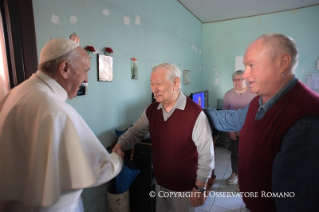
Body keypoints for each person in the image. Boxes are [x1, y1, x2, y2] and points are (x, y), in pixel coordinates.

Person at [0, 37, 123, 212]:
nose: (86, 79)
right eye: (85, 71)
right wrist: (117, 159)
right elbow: (98, 170)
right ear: (65, 68)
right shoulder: (55, 110)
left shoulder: (15, 94)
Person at [204, 33, 319, 212]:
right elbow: (231, 119)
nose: (245, 75)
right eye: (245, 66)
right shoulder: (260, 100)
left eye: (252, 65)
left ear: (282, 62)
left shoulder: (306, 120)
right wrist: (196, 111)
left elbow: (296, 202)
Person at [112, 63, 214, 212]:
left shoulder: (195, 114)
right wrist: (120, 144)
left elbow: (207, 155)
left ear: (176, 83)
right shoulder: (152, 110)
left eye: (159, 83)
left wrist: (200, 186)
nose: (154, 88)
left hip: (184, 187)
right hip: (161, 184)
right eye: (152, 84)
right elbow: (135, 132)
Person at [222, 70, 256, 190]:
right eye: (235, 79)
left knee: (247, 155)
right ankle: (234, 173)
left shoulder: (254, 94)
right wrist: (230, 129)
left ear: (245, 80)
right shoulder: (228, 95)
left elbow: (257, 113)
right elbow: (225, 114)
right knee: (235, 153)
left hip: (250, 132)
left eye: (240, 79)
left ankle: (243, 178)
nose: (237, 82)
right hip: (234, 132)